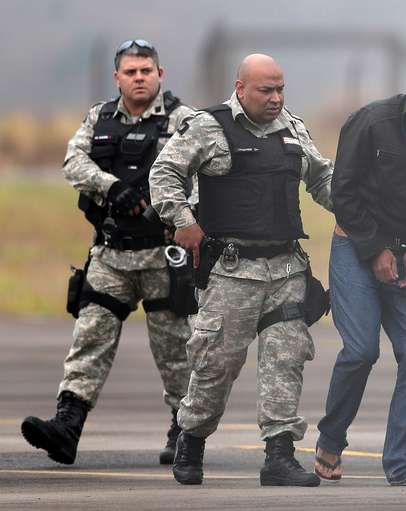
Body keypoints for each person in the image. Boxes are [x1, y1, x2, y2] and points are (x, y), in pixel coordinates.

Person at [149, 53, 333, 487]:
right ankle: (190, 442)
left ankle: (280, 456)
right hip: (233, 272)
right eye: (266, 90)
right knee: (216, 365)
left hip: (286, 268)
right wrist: (183, 221)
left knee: (286, 359)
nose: (275, 98)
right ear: (241, 88)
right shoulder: (209, 127)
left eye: (280, 88)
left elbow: (322, 178)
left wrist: (354, 211)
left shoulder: (293, 128)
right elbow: (164, 174)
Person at [21, 40, 195, 466]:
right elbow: (73, 163)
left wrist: (170, 206)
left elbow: (203, 170)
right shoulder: (99, 118)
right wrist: (112, 188)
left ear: (160, 74)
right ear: (117, 77)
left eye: (147, 71)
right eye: (131, 72)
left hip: (163, 255)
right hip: (111, 254)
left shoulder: (183, 121)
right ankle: (66, 428)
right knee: (89, 338)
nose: (139, 78)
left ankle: (186, 432)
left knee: (174, 351)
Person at [314, 78, 406, 486]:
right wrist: (374, 248)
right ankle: (329, 440)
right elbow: (342, 191)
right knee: (361, 350)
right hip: (355, 245)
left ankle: (405, 462)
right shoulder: (370, 122)